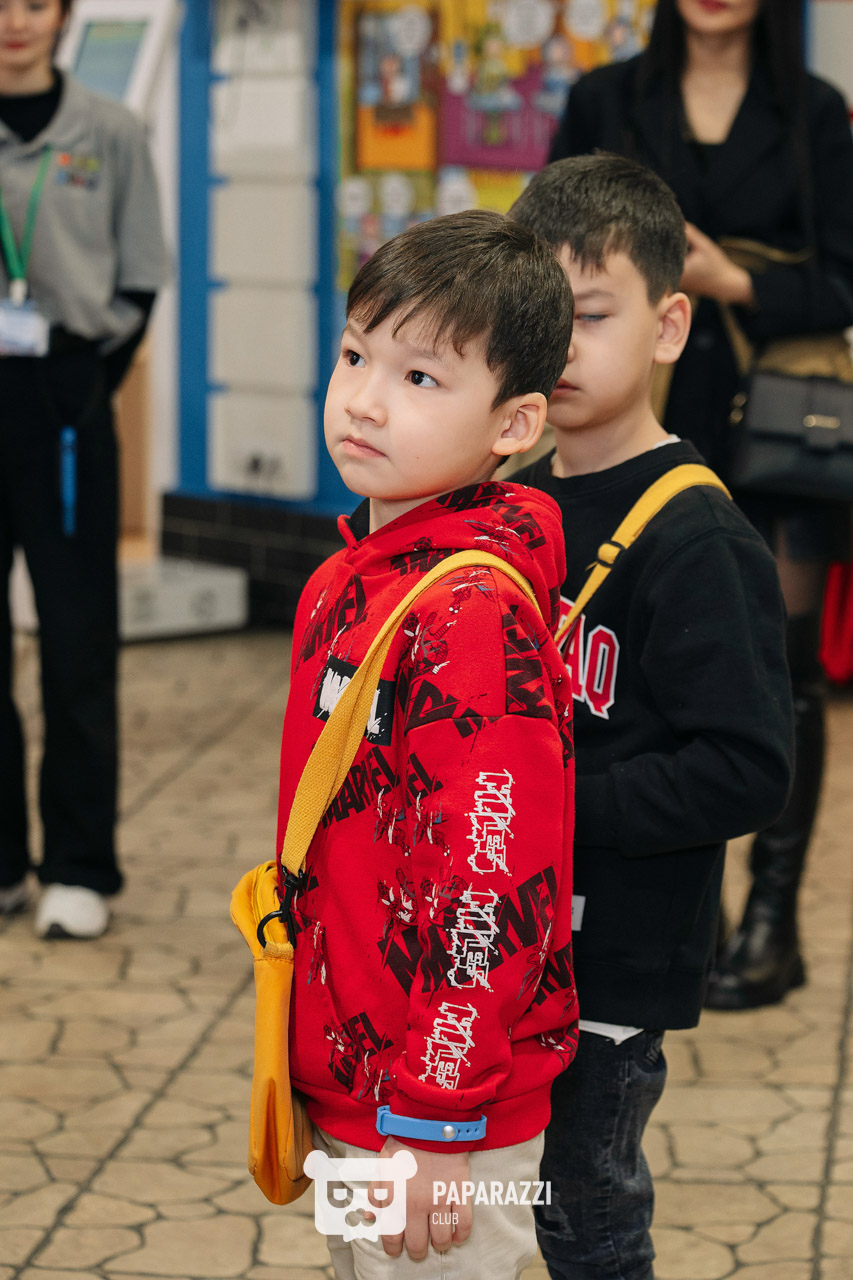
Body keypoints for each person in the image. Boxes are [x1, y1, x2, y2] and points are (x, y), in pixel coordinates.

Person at [275, 209, 578, 1279]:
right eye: (355, 354)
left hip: (441, 1109)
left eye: (419, 378)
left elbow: (489, 885)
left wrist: (436, 1121)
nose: (363, 398)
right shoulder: (355, 570)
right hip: (359, 1075)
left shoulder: (469, 614)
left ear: (515, 423)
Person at [508, 153, 793, 1280]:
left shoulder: (699, 536)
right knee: (489, 1199)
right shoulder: (508, 502)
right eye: (539, 317)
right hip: (504, 939)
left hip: (613, 963)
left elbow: (745, 767)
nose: (559, 346)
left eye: (589, 316)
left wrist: (552, 804)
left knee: (584, 1216)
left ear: (669, 325)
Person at [547, 0, 853, 1010]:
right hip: (640, 422)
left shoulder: (814, 111)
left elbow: (843, 281)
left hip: (778, 431)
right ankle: (695, 906)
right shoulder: (605, 99)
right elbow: (536, 263)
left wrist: (731, 281)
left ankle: (771, 918)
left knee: (782, 674)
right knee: (638, 666)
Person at [0, 0, 168, 938]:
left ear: (62, 16)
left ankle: (76, 865)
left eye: (35, 3)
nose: (15, 21)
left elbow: (139, 278)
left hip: (65, 401)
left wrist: (80, 387)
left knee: (75, 640)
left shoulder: (109, 131)